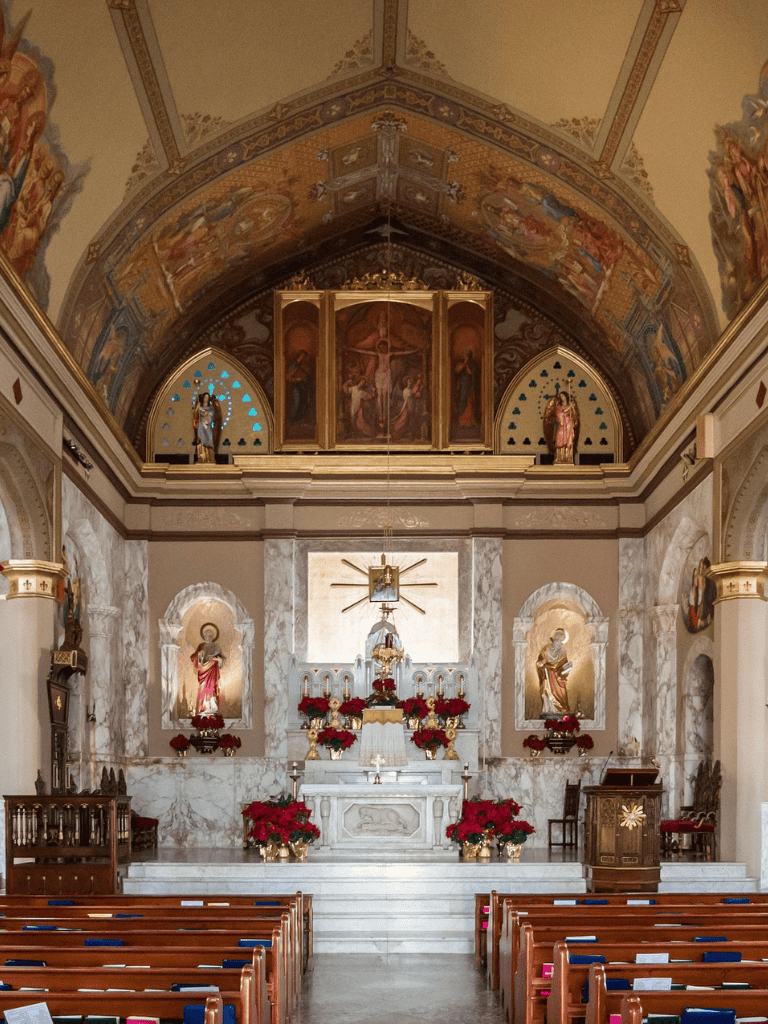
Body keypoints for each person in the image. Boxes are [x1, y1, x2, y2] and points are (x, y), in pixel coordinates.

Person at [536, 628, 573, 716]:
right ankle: (550, 710)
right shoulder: (546, 649)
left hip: (558, 676)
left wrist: (567, 669)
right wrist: (541, 663)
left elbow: (564, 664)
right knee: (547, 690)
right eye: (558, 638)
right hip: (548, 673)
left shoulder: (563, 651)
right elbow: (539, 662)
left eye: (561, 639)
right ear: (554, 637)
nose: (559, 640)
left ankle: (561, 709)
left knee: (561, 692)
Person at [191, 622, 225, 714]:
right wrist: (199, 655)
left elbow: (221, 658)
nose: (208, 637)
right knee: (203, 688)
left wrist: (217, 660)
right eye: (206, 635)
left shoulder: (216, 646)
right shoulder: (201, 646)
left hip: (212, 671)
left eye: (210, 635)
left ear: (213, 636)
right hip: (203, 671)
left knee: (212, 688)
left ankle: (212, 708)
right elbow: (194, 657)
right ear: (204, 636)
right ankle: (203, 708)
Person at [544, 391, 580, 464]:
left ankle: (568, 458)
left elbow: (575, 416)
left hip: (568, 425)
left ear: (566, 397)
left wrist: (571, 408)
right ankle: (559, 458)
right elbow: (557, 415)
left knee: (568, 441)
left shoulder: (570, 406)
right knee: (560, 440)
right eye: (560, 396)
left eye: (563, 396)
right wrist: (563, 414)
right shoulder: (558, 407)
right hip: (561, 425)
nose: (562, 397)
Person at [193, 391, 220, 463]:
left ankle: (210, 458)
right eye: (205, 397)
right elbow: (195, 416)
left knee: (209, 441)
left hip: (208, 427)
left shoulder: (211, 408)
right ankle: (201, 457)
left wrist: (203, 411)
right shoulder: (200, 406)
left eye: (207, 397)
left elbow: (211, 416)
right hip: (201, 426)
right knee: (201, 441)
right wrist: (197, 408)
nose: (206, 399)